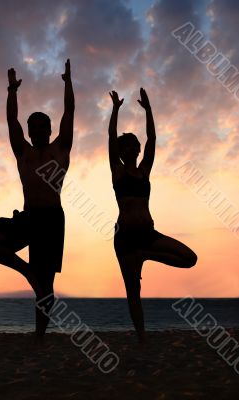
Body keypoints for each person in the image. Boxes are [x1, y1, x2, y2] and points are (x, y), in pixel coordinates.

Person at [0, 59, 75, 340]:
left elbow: (70, 112)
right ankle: (27, 271)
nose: (39, 130)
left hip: (52, 219)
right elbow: (10, 121)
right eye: (34, 127)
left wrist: (68, 83)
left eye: (43, 126)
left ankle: (39, 335)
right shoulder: (23, 153)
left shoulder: (61, 149)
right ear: (29, 132)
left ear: (50, 130)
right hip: (28, 218)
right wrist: (12, 91)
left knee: (47, 285)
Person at [108, 88, 197, 345]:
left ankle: (148, 255)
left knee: (189, 258)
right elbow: (110, 138)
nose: (129, 148)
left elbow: (153, 140)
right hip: (125, 239)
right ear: (121, 150)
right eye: (124, 145)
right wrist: (115, 110)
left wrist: (148, 110)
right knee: (133, 293)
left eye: (132, 145)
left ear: (136, 149)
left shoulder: (145, 170)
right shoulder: (117, 171)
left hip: (147, 237)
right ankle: (143, 339)